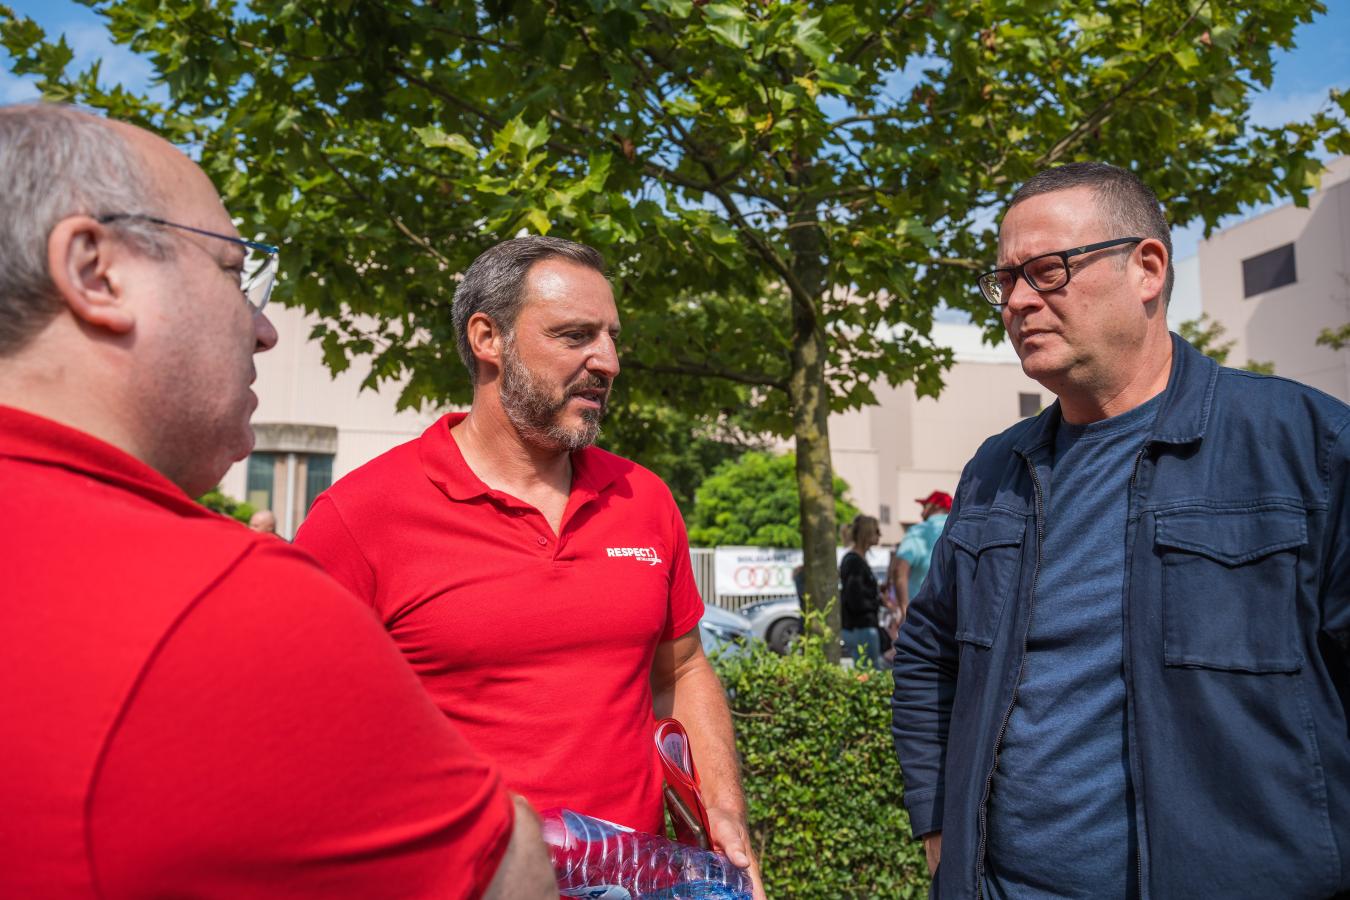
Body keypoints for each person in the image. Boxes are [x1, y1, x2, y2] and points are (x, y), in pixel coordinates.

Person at [0, 104, 555, 899]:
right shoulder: (228, 603)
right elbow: (507, 878)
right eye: (235, 271)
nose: (264, 330)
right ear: (95, 271)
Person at [892, 162, 1350, 898]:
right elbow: (927, 653)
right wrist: (940, 831)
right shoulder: (995, 470)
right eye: (1003, 280)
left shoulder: (1304, 447)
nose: (1015, 301)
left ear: (1147, 268)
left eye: (1046, 270)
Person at [293, 236, 765, 897]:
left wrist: (722, 816)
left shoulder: (644, 500)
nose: (608, 361)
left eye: (610, 336)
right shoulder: (362, 517)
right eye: (575, 335)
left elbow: (681, 667)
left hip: (638, 882)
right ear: (488, 338)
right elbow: (298, 728)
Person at [887, 490, 951, 628]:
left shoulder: (918, 531)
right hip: (953, 617)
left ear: (936, 507)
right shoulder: (959, 530)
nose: (921, 511)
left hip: (922, 617)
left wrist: (904, 609)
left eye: (925, 506)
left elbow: (899, 569)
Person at [839, 513, 884, 668]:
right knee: (869, 672)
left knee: (867, 671)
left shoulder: (857, 560)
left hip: (862, 625)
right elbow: (855, 598)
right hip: (860, 626)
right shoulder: (854, 561)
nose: (880, 535)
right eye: (877, 531)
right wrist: (877, 601)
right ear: (867, 533)